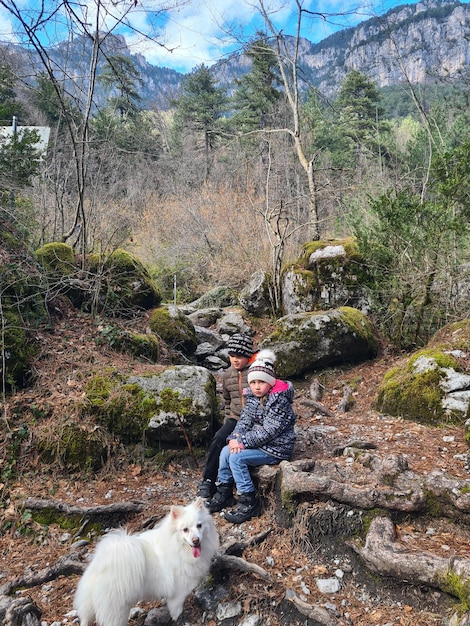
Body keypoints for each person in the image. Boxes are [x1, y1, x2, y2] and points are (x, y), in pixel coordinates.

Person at [206, 349, 296, 524]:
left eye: (261, 382)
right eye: (253, 382)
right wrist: (234, 438)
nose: (256, 386)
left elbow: (270, 431)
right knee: (225, 452)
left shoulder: (279, 401)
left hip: (276, 447)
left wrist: (243, 442)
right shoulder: (254, 397)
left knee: (237, 458)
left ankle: (248, 501)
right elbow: (245, 420)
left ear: (270, 382)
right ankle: (224, 492)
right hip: (259, 443)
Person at [196, 333, 256, 500]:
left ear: (248, 356)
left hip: (254, 418)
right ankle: (208, 480)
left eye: (240, 356)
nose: (235, 360)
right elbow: (227, 400)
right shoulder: (228, 374)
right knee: (218, 439)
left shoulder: (255, 371)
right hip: (235, 417)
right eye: (232, 356)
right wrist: (227, 421)